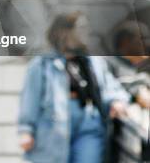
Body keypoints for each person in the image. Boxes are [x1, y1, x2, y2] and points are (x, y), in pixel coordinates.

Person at [17, 12, 130, 163]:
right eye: (81, 27)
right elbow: (30, 99)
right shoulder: (42, 64)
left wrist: (117, 100)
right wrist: (26, 130)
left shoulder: (94, 63)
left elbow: (111, 87)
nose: (86, 32)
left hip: (89, 123)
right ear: (65, 31)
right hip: (54, 127)